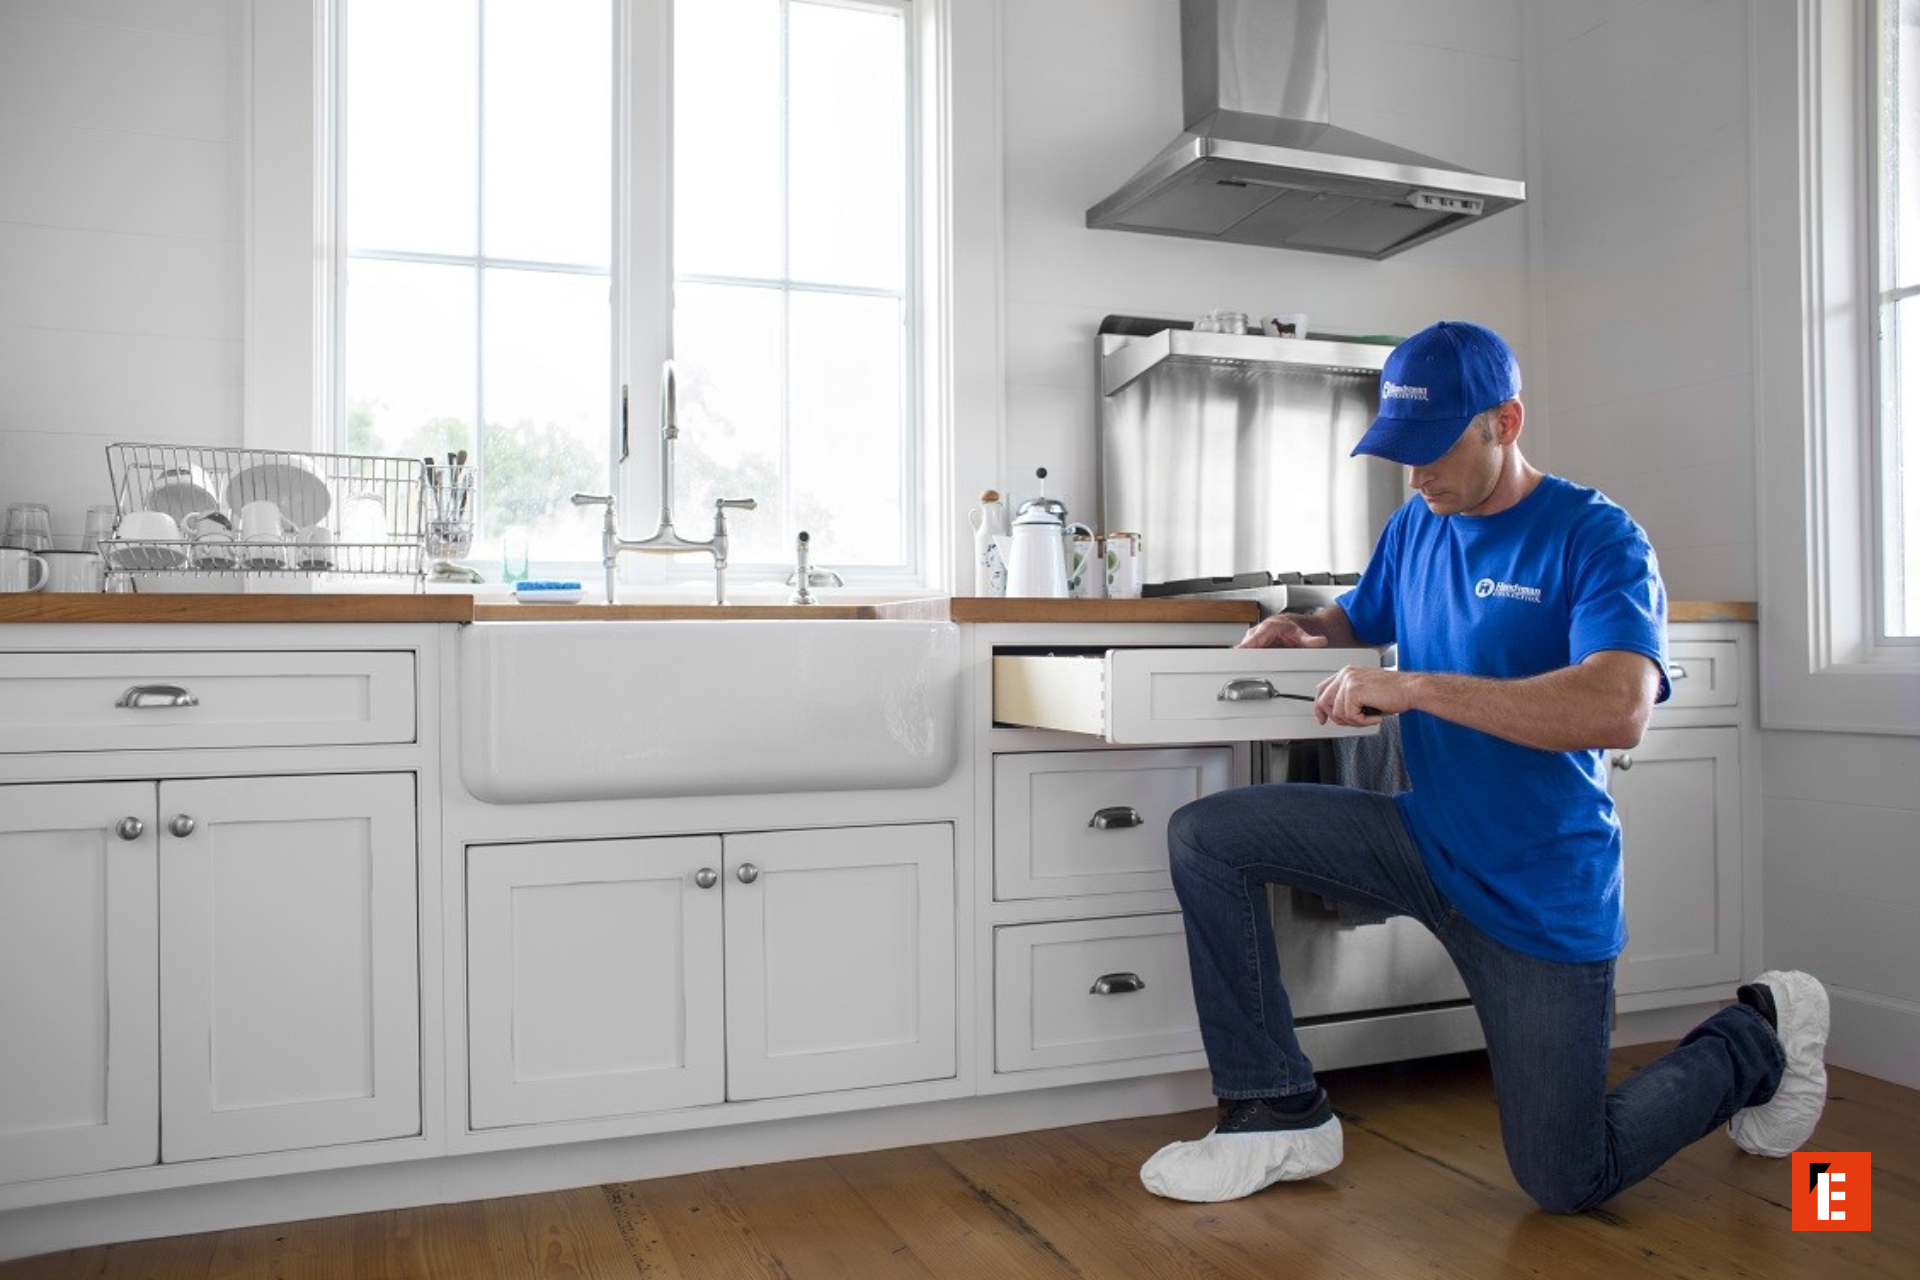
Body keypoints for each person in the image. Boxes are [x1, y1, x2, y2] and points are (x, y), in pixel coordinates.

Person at [1138, 320, 1829, 1212]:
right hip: (1424, 840)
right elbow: (1358, 616)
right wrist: (1306, 632)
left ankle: (1759, 1037)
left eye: (1432, 450)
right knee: (1209, 836)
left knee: (1567, 1178)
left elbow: (1618, 708)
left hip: (1538, 888)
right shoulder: (1416, 525)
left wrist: (1417, 687)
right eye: (1401, 452)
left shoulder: (1597, 536)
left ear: (1505, 423)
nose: (1415, 475)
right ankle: (1275, 1109)